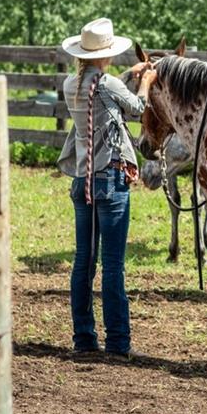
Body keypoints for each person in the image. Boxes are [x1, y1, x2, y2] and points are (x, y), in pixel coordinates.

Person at [57, 18, 147, 359]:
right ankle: (119, 343)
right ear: (107, 55)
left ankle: (84, 338)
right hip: (110, 178)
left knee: (84, 262)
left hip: (83, 179)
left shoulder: (71, 84)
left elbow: (108, 100)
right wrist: (145, 82)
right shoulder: (108, 83)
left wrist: (129, 80)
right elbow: (136, 108)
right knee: (113, 266)